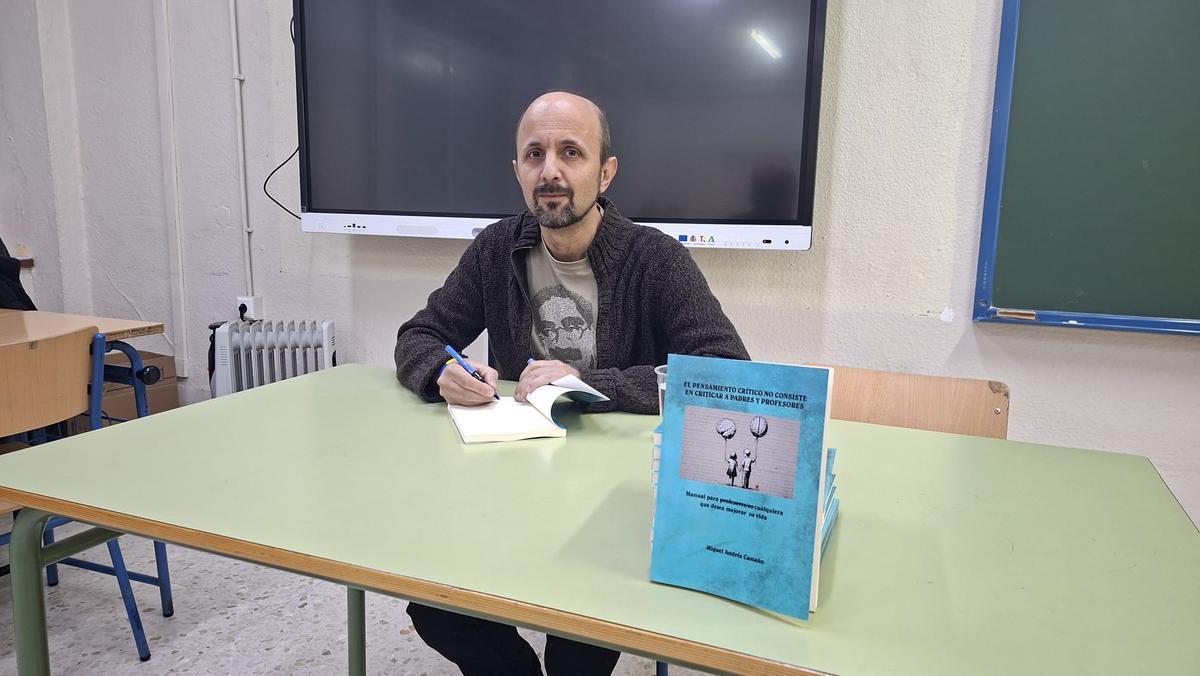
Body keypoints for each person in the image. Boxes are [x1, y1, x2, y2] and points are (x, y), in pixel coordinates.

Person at [394, 91, 749, 676]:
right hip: (509, 486)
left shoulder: (655, 259)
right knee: (437, 608)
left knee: (580, 640)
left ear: (605, 171)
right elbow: (420, 333)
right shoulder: (495, 249)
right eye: (534, 154)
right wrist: (441, 370)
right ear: (517, 171)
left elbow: (726, 374)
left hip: (612, 499)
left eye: (571, 152)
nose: (550, 170)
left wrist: (592, 381)